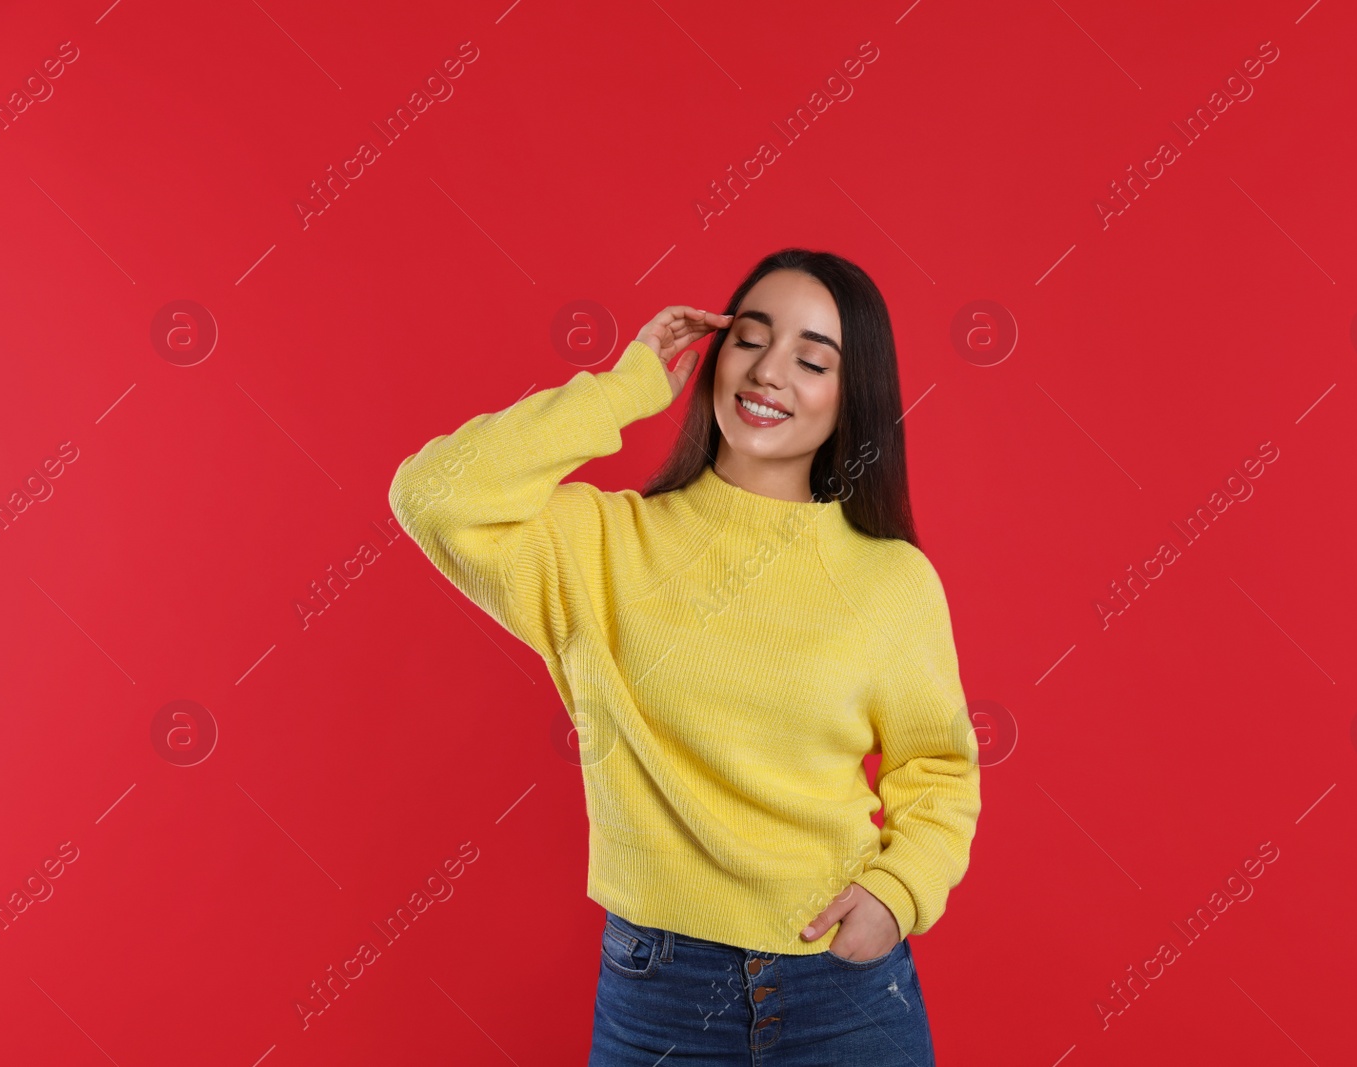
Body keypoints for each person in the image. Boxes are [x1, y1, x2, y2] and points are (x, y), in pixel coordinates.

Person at [388, 247, 982, 1064]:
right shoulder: (600, 545)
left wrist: (896, 892)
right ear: (713, 356)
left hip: (843, 991)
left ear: (853, 397)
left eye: (812, 359)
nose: (771, 371)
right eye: (750, 339)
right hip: (660, 988)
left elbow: (940, 768)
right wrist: (626, 387)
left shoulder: (891, 579)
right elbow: (431, 494)